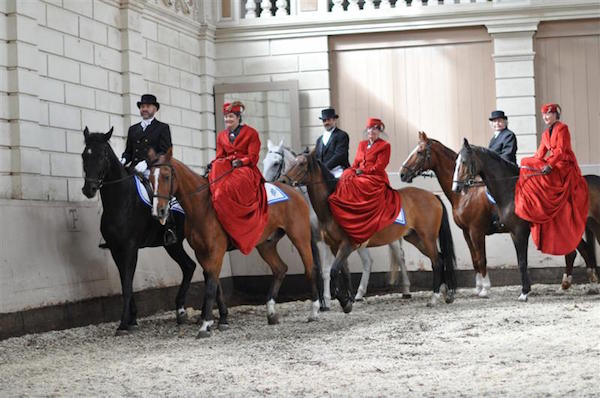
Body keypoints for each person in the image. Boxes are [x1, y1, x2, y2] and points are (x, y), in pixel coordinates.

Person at [515, 103, 589, 255]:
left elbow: (561, 151)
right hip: (552, 162)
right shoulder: (545, 134)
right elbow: (539, 154)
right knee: (526, 162)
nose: (546, 117)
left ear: (556, 115)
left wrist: (551, 164)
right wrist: (527, 165)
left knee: (544, 169)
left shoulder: (562, 128)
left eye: (549, 114)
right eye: (544, 115)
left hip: (563, 163)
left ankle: (550, 198)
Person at [328, 117, 401, 244]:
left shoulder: (385, 146)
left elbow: (380, 165)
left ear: (379, 131)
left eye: (374, 129)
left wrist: (364, 171)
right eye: (369, 129)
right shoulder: (362, 144)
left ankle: (362, 213)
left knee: (360, 183)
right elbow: (356, 161)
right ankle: (346, 209)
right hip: (359, 172)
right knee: (345, 176)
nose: (371, 132)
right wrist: (353, 170)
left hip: (375, 176)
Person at [208, 101, 268, 254]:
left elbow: (253, 156)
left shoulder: (251, 133)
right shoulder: (221, 136)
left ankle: (235, 217)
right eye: (226, 117)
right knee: (215, 170)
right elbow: (220, 156)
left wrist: (242, 162)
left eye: (231, 117)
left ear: (238, 117)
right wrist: (213, 164)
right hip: (228, 165)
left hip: (246, 169)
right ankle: (217, 198)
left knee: (230, 186)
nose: (228, 120)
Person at [121, 94, 172, 178]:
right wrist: (123, 159)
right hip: (133, 170)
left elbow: (165, 152)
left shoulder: (162, 128)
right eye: (142, 107)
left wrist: (147, 163)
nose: (144, 109)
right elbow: (129, 152)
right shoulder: (133, 129)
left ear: (155, 109)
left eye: (148, 106)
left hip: (151, 171)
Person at [487, 110, 518, 230]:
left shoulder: (509, 135)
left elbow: (507, 155)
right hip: (495, 171)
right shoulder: (494, 137)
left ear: (505, 122)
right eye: (495, 121)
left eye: (500, 121)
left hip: (506, 170)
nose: (497, 124)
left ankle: (501, 215)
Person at [315, 108, 350, 178]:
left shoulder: (342, 135)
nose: (326, 122)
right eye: (324, 120)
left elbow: (340, 155)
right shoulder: (319, 140)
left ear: (334, 120)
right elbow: (317, 157)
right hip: (323, 173)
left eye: (329, 120)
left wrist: (324, 168)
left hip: (339, 171)